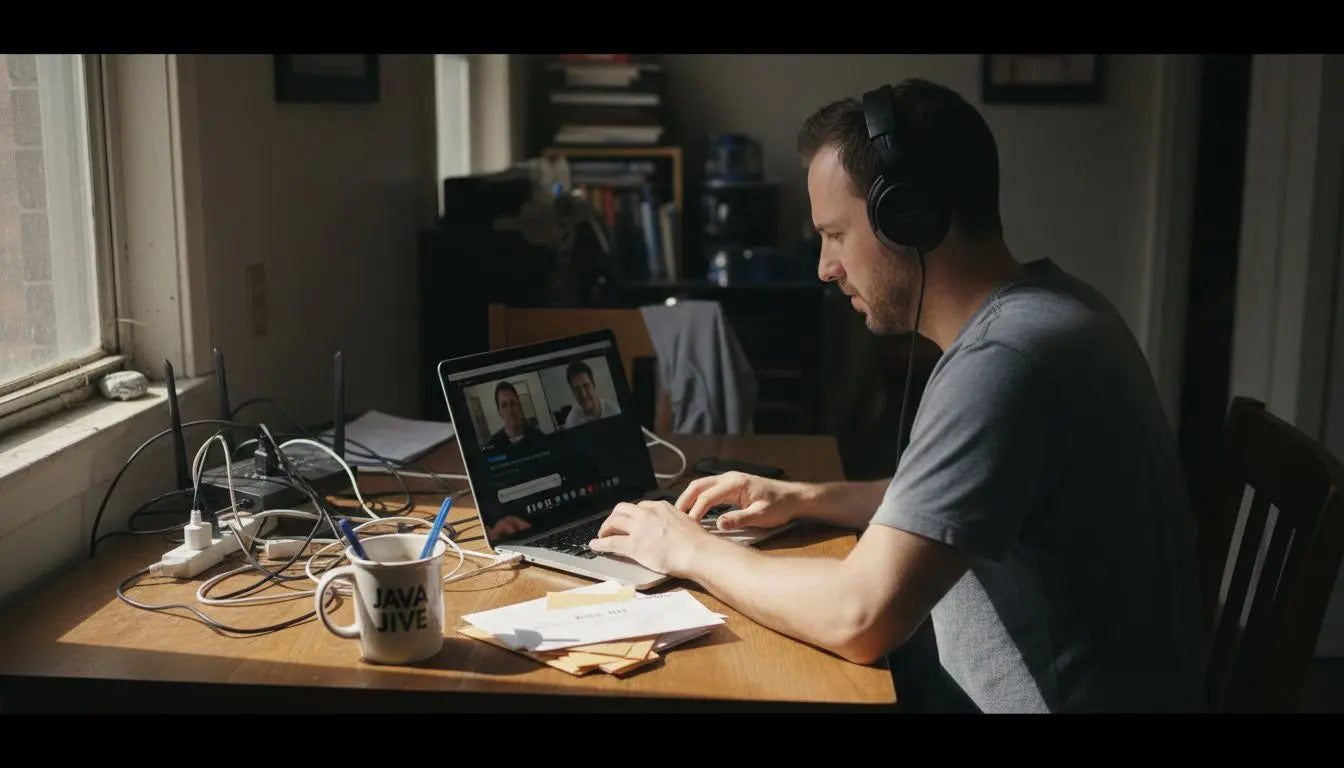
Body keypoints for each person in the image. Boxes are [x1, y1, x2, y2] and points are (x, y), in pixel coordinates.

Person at [586, 78, 1206, 713]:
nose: (826, 268)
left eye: (834, 235)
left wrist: (688, 548)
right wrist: (808, 498)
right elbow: (974, 496)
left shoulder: (1003, 362)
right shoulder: (1059, 307)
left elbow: (861, 618)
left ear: (907, 216)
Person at [484, 381, 545, 452]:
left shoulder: (537, 436)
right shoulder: (493, 445)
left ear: (520, 405)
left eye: (513, 403)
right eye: (504, 405)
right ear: (499, 411)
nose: (510, 410)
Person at [562, 361, 620, 428]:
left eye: (586, 386)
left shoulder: (614, 411)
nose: (583, 394)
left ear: (593, 384)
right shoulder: (571, 421)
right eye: (577, 389)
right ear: (573, 392)